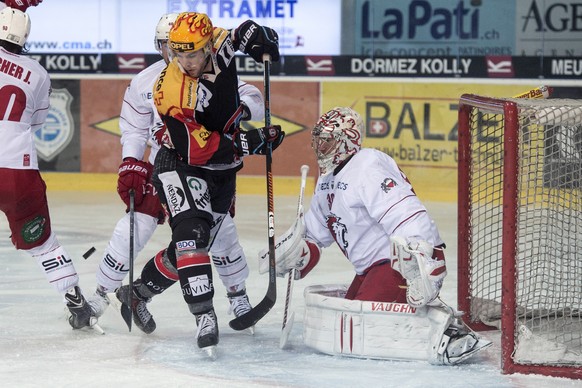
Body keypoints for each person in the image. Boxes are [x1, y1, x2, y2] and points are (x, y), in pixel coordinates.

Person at [259, 107, 490, 364]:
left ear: (347, 141)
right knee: (350, 316)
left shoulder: (367, 164)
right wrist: (296, 253)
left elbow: (405, 213)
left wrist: (428, 260)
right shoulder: (326, 180)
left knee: (366, 328)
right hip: (368, 270)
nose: (320, 146)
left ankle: (449, 335)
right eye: (319, 138)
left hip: (395, 265)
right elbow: (316, 234)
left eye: (328, 139)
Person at [116, 12, 284, 356]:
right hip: (180, 162)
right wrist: (249, 143)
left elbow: (240, 34)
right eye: (179, 54)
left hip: (222, 169)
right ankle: (204, 315)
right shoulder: (170, 90)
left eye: (192, 53)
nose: (185, 61)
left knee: (191, 249)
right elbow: (197, 146)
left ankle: (137, 293)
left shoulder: (217, 42)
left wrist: (260, 37)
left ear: (207, 46)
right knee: (191, 238)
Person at [0, 6, 98, 330]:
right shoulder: (39, 73)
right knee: (43, 244)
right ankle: (76, 303)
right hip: (18, 171)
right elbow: (37, 121)